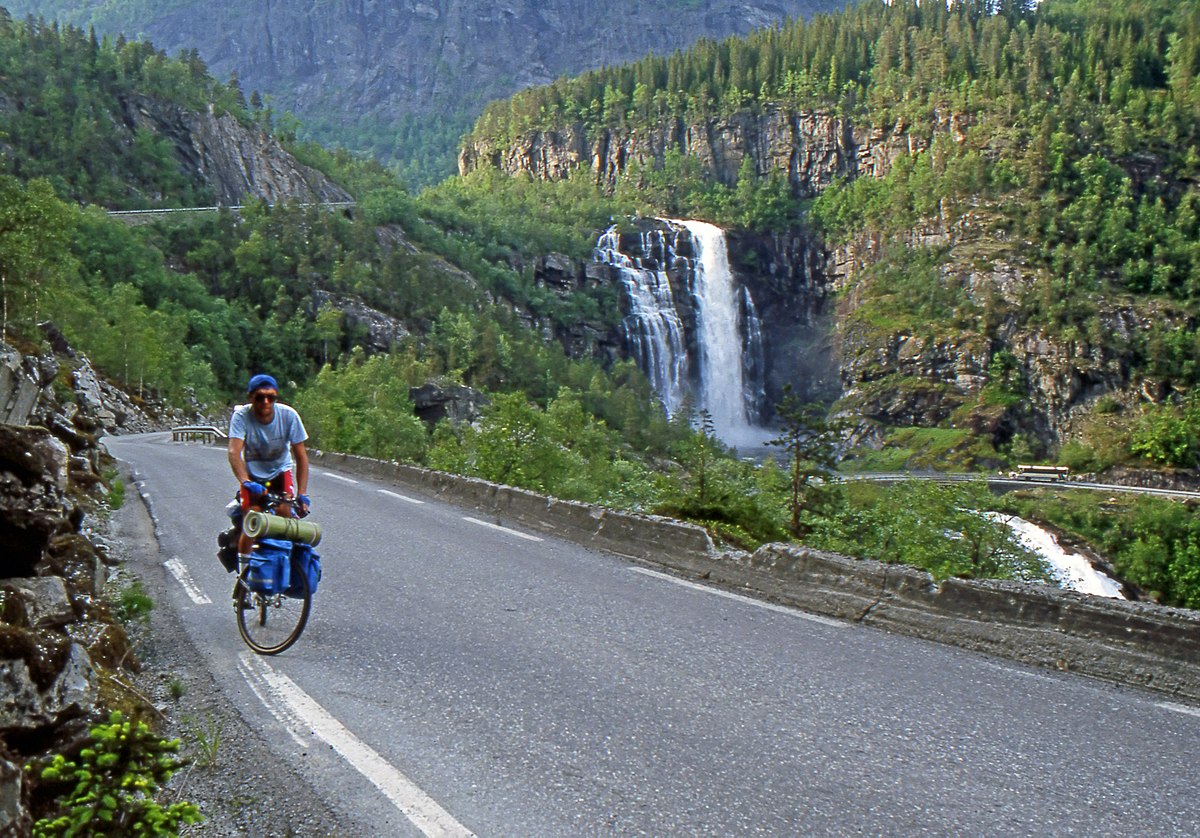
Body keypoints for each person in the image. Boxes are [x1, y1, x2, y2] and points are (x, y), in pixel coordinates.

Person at [227, 373, 311, 561]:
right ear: (250, 398)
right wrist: (245, 481)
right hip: (253, 477)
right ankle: (244, 575)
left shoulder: (289, 416)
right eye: (259, 397)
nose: (265, 401)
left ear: (276, 398)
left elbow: (302, 458)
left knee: (285, 514)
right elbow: (234, 452)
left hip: (280, 471)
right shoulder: (241, 416)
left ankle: (285, 569)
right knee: (252, 520)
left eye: (270, 397)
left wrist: (302, 493)